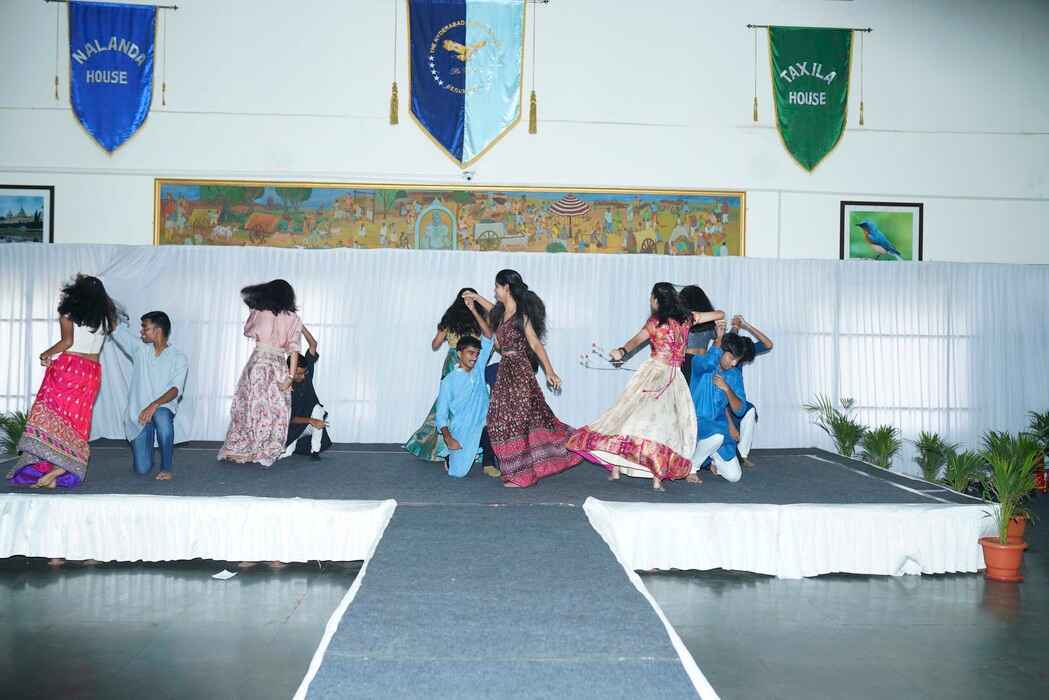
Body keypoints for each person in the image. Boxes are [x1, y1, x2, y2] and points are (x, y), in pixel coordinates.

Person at [566, 283, 724, 490]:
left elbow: (635, 341)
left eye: (652, 297)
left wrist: (621, 352)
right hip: (673, 377)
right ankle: (648, 473)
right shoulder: (687, 318)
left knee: (630, 415)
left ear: (657, 299)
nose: (650, 301)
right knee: (663, 424)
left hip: (655, 374)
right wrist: (704, 316)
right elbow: (720, 313)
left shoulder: (656, 322)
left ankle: (623, 466)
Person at [464, 270, 581, 488]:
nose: (495, 291)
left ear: (506, 287)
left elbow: (535, 344)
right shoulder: (501, 313)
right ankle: (517, 471)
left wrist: (550, 371)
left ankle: (524, 475)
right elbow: (491, 309)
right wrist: (476, 298)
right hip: (505, 371)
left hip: (519, 371)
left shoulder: (521, 316)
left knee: (518, 422)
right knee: (497, 419)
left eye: (497, 287)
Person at [7, 275, 119, 488]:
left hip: (70, 368)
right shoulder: (107, 318)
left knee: (52, 414)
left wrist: (45, 354)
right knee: (78, 422)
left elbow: (67, 342)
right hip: (92, 372)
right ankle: (60, 469)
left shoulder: (68, 313)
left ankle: (51, 466)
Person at [218, 279, 302, 468]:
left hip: (258, 363)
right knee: (276, 409)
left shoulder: (260, 311)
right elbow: (294, 350)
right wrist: (290, 378)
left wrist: (255, 312)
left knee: (250, 406)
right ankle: (265, 449)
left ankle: (243, 449)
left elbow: (247, 331)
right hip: (279, 366)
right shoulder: (293, 318)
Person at [109, 311, 190, 480]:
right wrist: (103, 303)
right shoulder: (140, 349)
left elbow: (175, 389)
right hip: (140, 415)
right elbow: (115, 327)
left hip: (162, 408)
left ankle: (166, 467)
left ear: (157, 330)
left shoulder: (179, 357)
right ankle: (148, 443)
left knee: (161, 416)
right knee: (142, 469)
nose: (141, 332)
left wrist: (154, 405)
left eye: (145, 328)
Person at [405, 287, 482, 462]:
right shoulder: (479, 319)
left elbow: (435, 344)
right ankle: (468, 447)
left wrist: (449, 337)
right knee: (468, 404)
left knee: (447, 404)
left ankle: (439, 446)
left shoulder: (450, 319)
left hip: (453, 361)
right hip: (472, 362)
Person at [689, 325, 755, 483]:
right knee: (716, 436)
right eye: (732, 358)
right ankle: (691, 468)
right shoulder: (700, 363)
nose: (734, 363)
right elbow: (709, 362)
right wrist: (719, 339)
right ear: (722, 351)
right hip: (696, 422)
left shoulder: (734, 375)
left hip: (719, 427)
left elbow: (740, 410)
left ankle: (712, 457)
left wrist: (727, 389)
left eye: (737, 360)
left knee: (734, 476)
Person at [435, 332, 497, 478]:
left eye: (477, 354)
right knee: (458, 473)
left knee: (494, 424)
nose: (474, 357)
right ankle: (449, 456)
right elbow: (441, 415)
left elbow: (488, 335)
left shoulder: (479, 369)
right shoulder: (448, 381)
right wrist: (449, 438)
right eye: (470, 353)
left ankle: (488, 463)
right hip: (463, 429)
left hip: (484, 423)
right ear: (459, 353)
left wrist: (478, 315)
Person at [725, 315, 774, 467]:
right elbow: (730, 340)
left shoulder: (741, 356)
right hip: (719, 403)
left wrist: (745, 325)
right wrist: (735, 326)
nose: (734, 363)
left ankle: (742, 454)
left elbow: (768, 344)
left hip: (735, 403)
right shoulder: (724, 353)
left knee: (750, 410)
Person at [282, 326, 332, 460]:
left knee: (317, 409)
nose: (303, 376)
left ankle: (315, 452)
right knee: (286, 453)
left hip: (312, 424)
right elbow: (291, 418)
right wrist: (311, 421)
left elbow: (313, 344)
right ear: (289, 371)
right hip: (296, 427)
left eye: (304, 373)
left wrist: (301, 327)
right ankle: (293, 445)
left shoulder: (306, 373)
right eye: (298, 374)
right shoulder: (285, 388)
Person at [677, 284, 717, 384]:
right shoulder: (709, 321)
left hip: (688, 362)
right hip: (704, 361)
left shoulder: (684, 320)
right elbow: (718, 337)